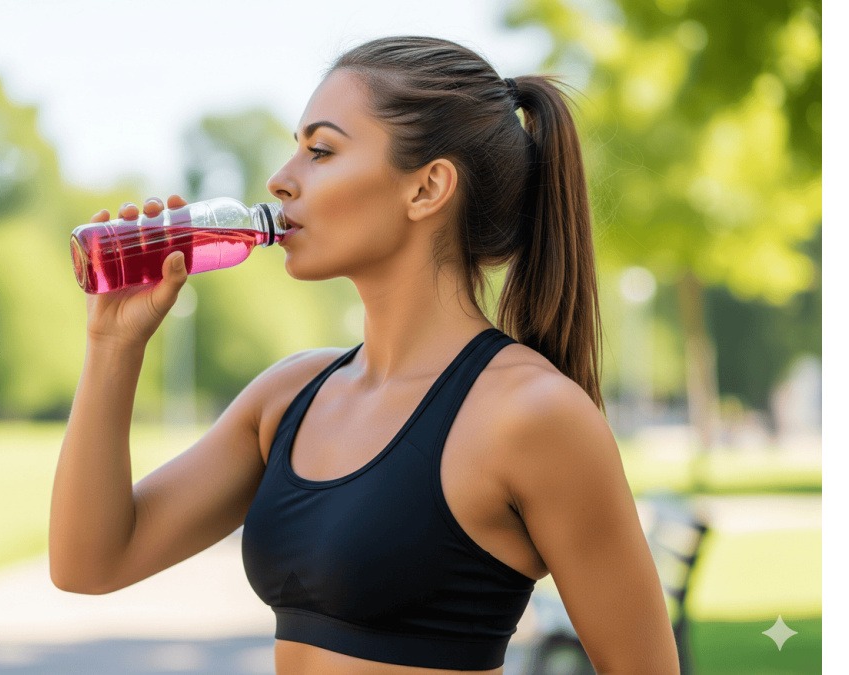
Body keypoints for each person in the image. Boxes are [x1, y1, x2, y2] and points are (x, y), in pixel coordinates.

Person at [50, 35, 679, 675]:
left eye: (320, 150)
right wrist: (113, 346)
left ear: (428, 187)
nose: (279, 180)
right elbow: (90, 563)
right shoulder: (290, 395)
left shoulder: (531, 416)